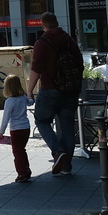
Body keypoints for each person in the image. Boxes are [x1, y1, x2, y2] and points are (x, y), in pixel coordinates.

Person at [26, 11, 83, 175]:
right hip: (70, 90)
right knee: (67, 127)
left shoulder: (42, 42)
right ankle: (67, 167)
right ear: (56, 22)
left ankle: (58, 152)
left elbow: (36, 68)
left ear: (43, 25)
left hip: (50, 88)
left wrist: (29, 91)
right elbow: (80, 64)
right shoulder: (69, 40)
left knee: (42, 120)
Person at [0, 73, 33, 183]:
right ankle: (26, 170)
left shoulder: (9, 102)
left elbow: (5, 119)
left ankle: (21, 173)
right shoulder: (22, 98)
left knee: (17, 152)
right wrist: (30, 95)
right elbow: (31, 102)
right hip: (26, 127)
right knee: (22, 150)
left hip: (16, 129)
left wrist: (0, 133)